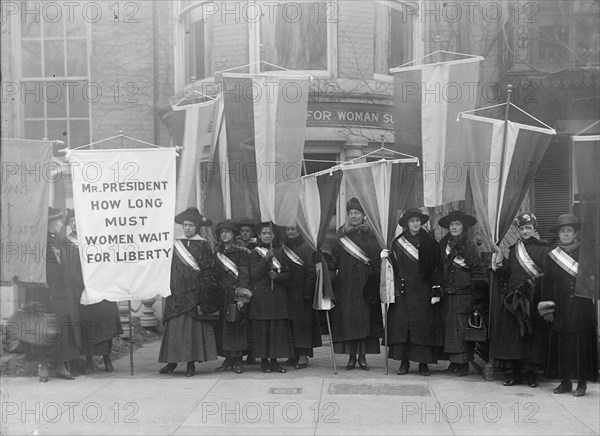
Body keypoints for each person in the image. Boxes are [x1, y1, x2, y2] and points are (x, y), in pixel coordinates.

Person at [540, 214, 598, 397]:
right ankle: (565, 382)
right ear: (559, 234)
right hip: (561, 307)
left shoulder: (586, 254)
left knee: (581, 345)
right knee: (563, 347)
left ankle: (581, 383)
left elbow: (594, 278)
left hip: (582, 306)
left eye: (569, 231)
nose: (565, 234)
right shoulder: (552, 256)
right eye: (562, 231)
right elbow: (546, 283)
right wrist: (547, 308)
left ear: (575, 233)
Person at [158, 207, 219, 377]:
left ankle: (191, 364)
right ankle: (171, 362)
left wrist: (205, 295)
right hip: (176, 293)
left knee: (191, 331)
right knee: (174, 329)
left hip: (194, 294)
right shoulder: (174, 244)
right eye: (185, 225)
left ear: (197, 227)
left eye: (191, 225)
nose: (187, 228)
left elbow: (208, 271)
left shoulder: (204, 245)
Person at [491, 213, 549, 388]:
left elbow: (546, 276)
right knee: (514, 336)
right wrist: (501, 260)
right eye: (522, 228)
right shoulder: (513, 249)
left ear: (534, 228)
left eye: (528, 228)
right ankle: (516, 374)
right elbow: (509, 273)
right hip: (513, 297)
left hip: (532, 295)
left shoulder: (543, 249)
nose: (525, 231)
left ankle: (530, 374)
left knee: (531, 336)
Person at [62, 209, 122, 374]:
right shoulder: (67, 244)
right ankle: (89, 361)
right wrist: (82, 285)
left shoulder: (95, 239)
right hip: (81, 291)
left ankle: (106, 359)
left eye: (77, 220)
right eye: (72, 221)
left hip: (100, 289)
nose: (74, 223)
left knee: (103, 324)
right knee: (87, 327)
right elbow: (69, 271)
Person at [387, 209, 443, 376]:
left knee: (423, 328)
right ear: (407, 223)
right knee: (404, 329)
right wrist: (385, 260)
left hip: (423, 292)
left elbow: (436, 268)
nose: (415, 224)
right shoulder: (397, 243)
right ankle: (404, 363)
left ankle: (423, 364)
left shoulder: (430, 242)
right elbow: (393, 270)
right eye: (412, 221)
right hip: (404, 292)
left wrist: (435, 290)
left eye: (418, 220)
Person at [330, 198, 383, 371]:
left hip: (365, 282)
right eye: (351, 213)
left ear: (363, 215)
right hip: (346, 284)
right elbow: (335, 260)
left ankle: (363, 357)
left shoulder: (371, 234)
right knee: (349, 319)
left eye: (357, 213)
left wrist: (376, 281)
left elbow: (376, 259)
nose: (353, 216)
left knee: (365, 319)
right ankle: (351, 357)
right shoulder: (341, 235)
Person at [29, 207, 81, 382]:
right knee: (46, 330)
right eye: (58, 221)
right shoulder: (39, 243)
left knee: (63, 331)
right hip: (45, 295)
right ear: (50, 223)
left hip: (62, 295)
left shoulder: (58, 241)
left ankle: (61, 364)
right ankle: (43, 366)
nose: (61, 224)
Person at [438, 210, 487, 377]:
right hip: (447, 294)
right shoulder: (444, 245)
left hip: (463, 294)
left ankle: (464, 364)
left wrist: (474, 294)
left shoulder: (470, 247)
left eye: (457, 224)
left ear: (463, 227)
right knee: (449, 329)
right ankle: (453, 362)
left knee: (461, 329)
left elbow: (478, 272)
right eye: (452, 225)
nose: (454, 227)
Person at [248, 222, 294, 373]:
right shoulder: (255, 253)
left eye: (270, 233)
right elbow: (254, 273)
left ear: (274, 235)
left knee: (276, 329)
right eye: (264, 233)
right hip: (262, 297)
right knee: (263, 330)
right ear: (259, 236)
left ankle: (274, 361)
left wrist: (278, 276)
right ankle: (264, 361)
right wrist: (266, 259)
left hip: (278, 296)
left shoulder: (281, 252)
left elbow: (288, 274)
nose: (267, 236)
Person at [213, 220, 251, 374]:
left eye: (227, 231)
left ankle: (238, 360)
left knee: (237, 327)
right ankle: (228, 359)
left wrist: (242, 297)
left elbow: (244, 275)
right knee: (223, 328)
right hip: (222, 295)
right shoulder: (217, 252)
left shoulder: (242, 251)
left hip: (235, 294)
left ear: (234, 234)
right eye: (221, 232)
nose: (224, 234)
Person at [282, 226, 322, 370]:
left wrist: (307, 292)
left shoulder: (307, 247)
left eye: (293, 229)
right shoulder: (284, 247)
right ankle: (293, 354)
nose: (290, 232)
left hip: (301, 291)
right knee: (290, 324)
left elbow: (311, 272)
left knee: (302, 325)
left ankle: (303, 355)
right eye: (288, 230)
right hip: (287, 291)